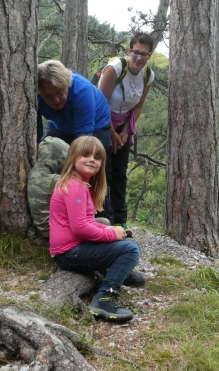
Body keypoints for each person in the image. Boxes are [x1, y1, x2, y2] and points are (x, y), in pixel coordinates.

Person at [49, 136, 145, 322]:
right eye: (85, 155)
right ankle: (104, 298)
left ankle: (118, 272)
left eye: (97, 157)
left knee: (107, 225)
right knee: (131, 249)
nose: (92, 159)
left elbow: (86, 221)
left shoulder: (78, 184)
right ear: (73, 158)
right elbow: (80, 228)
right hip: (68, 253)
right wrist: (111, 234)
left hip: (71, 249)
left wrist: (111, 230)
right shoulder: (75, 186)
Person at [37, 59, 113, 221]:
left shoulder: (82, 91)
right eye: (49, 96)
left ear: (68, 85)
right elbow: (35, 134)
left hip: (95, 126)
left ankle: (103, 220)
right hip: (60, 124)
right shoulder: (34, 95)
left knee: (91, 169)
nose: (56, 99)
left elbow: (84, 141)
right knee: (48, 159)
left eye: (60, 93)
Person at [98, 33, 155, 235]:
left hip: (124, 125)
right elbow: (100, 102)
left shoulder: (148, 75)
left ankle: (121, 221)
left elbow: (138, 107)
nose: (139, 58)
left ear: (150, 55)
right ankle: (104, 218)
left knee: (120, 172)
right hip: (102, 121)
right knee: (104, 170)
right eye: (136, 52)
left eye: (144, 54)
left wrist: (124, 132)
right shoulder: (115, 68)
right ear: (129, 50)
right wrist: (112, 132)